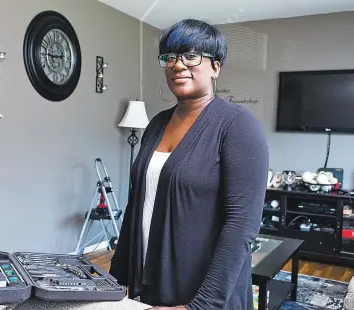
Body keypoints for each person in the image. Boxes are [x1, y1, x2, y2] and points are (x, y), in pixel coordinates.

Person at [109, 19, 269, 310]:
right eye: (169, 57)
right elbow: (136, 208)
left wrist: (201, 306)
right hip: (150, 283)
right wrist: (114, 283)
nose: (177, 65)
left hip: (204, 296)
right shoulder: (157, 124)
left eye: (190, 56)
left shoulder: (237, 125)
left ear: (216, 67)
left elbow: (242, 226)